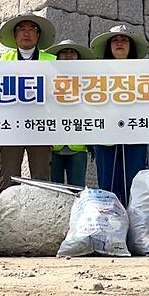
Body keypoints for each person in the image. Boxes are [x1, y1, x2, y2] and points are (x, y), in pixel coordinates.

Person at [89, 25, 149, 206]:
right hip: (105, 138)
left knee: (134, 183)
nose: (119, 43)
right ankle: (111, 224)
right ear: (109, 46)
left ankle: (133, 225)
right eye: (115, 40)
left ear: (131, 46)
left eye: (124, 40)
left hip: (136, 135)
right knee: (107, 185)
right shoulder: (95, 73)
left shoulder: (146, 73)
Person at [0, 13, 57, 191]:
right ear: (15, 36)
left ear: (38, 35)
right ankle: (5, 219)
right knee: (8, 181)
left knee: (42, 181)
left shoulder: (52, 61)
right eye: (21, 29)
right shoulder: (1, 62)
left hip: (40, 128)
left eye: (32, 29)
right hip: (10, 128)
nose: (26, 33)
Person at [44, 39, 95, 187]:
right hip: (52, 144)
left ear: (78, 57)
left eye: (72, 52)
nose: (68, 55)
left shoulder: (89, 82)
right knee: (53, 191)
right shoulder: (47, 80)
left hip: (78, 145)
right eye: (64, 52)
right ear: (57, 57)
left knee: (77, 190)